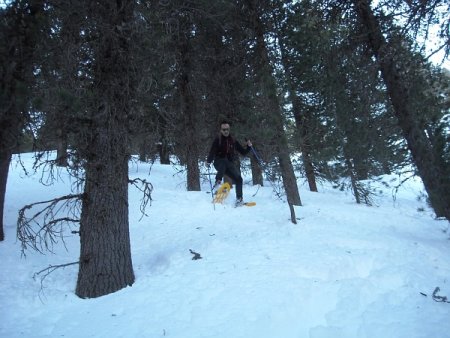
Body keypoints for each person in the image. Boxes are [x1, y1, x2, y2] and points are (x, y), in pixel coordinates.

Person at [206, 121, 252, 206]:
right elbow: (212, 152)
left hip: (228, 165)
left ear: (229, 129)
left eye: (227, 129)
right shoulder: (218, 139)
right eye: (224, 129)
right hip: (218, 163)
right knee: (224, 160)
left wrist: (249, 147)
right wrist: (208, 161)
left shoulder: (233, 140)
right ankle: (218, 182)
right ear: (221, 130)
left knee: (239, 179)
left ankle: (239, 199)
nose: (226, 131)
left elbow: (243, 152)